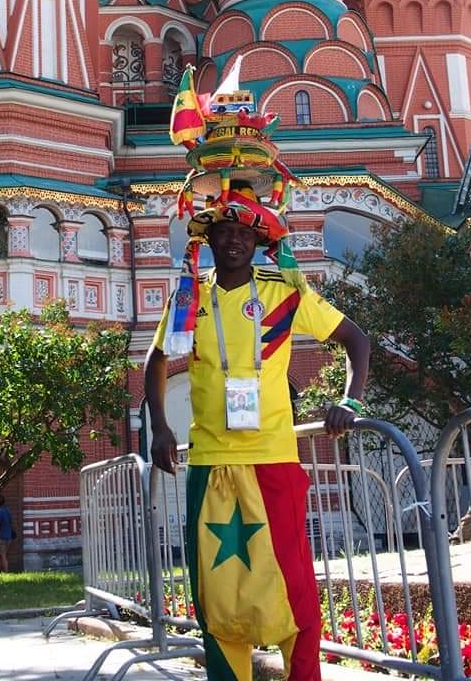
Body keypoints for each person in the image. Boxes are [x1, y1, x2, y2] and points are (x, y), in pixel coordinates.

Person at [145, 185, 369, 681]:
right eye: (222, 231)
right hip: (208, 462)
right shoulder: (190, 294)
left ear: (256, 239)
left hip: (273, 458)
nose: (231, 240)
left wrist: (349, 400)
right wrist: (160, 427)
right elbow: (158, 359)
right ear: (209, 239)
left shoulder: (284, 290)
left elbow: (356, 339)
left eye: (241, 232)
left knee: (295, 595)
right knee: (217, 597)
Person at [0, 495, 13, 572]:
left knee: (2, 556)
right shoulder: (7, 510)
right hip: (8, 537)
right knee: (0, 556)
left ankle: (6, 572)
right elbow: (11, 522)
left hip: (0, 537)